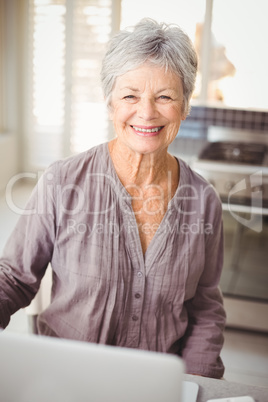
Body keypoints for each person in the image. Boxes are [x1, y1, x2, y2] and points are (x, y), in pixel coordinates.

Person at [0, 19, 225, 378]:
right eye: (130, 95)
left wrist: (197, 384)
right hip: (64, 381)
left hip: (158, 387)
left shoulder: (204, 201)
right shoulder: (62, 181)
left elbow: (205, 309)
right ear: (110, 104)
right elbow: (12, 278)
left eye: (165, 96)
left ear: (184, 106)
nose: (147, 112)